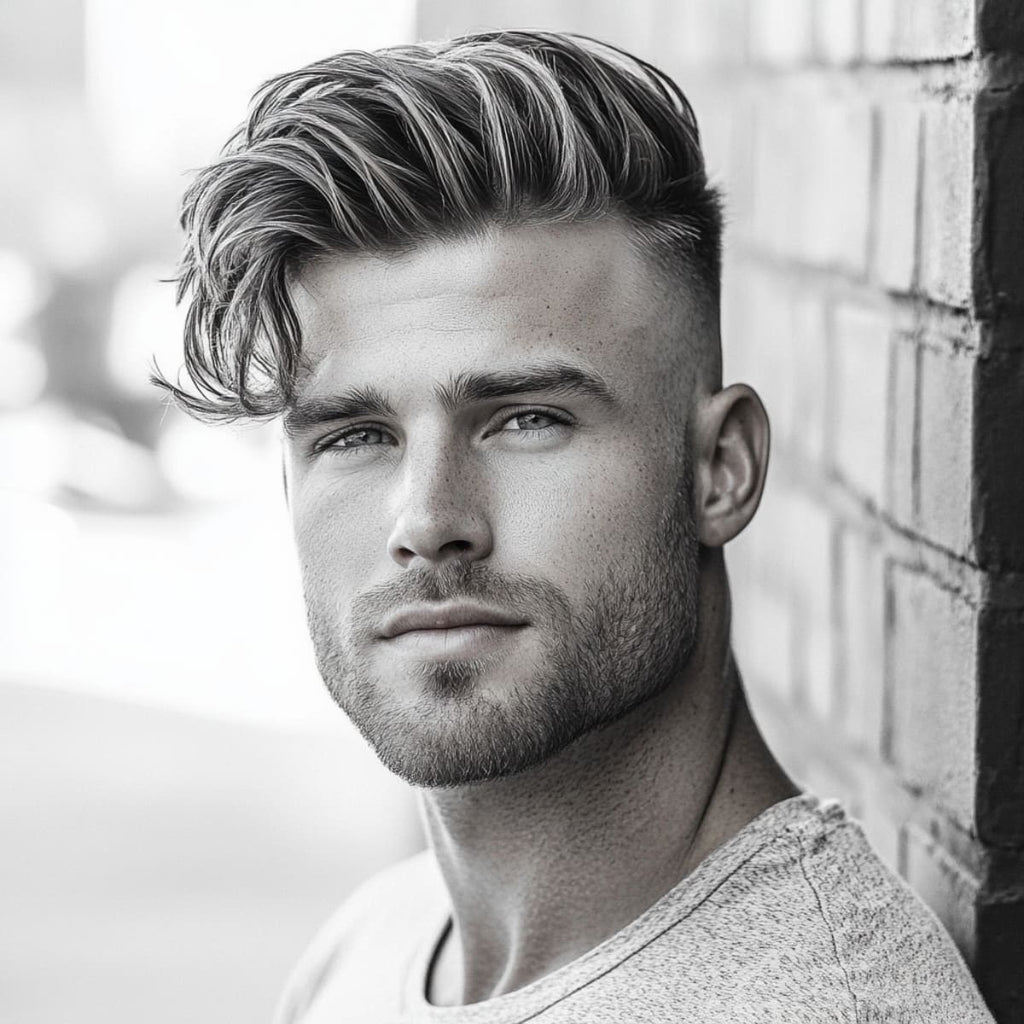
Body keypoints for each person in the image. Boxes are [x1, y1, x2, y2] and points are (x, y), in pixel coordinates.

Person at [158, 30, 995, 1024]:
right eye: (354, 435)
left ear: (718, 470)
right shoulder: (372, 944)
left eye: (525, 420)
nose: (428, 521)